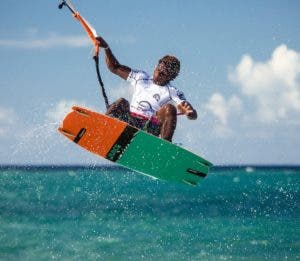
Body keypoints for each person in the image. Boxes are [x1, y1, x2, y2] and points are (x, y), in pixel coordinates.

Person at [96, 36, 197, 142]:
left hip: (150, 128)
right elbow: (115, 67)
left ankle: (164, 147)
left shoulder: (173, 92)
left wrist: (190, 112)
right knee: (121, 102)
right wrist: (106, 48)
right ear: (156, 66)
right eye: (159, 70)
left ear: (171, 77)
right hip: (131, 122)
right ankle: (100, 130)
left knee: (170, 108)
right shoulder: (140, 77)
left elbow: (188, 110)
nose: (159, 74)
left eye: (163, 74)